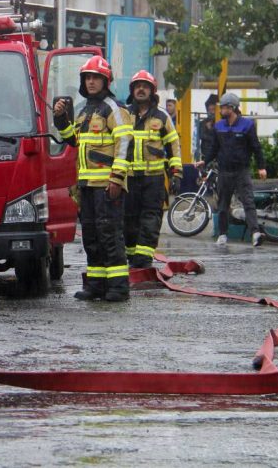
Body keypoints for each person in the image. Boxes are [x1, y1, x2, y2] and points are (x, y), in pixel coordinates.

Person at [53, 56, 133, 302]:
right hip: (87, 187)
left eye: (95, 78)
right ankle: (96, 285)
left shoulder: (113, 109)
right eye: (87, 77)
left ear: (105, 80)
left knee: (109, 235)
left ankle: (118, 287)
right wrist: (61, 120)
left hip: (107, 186)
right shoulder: (85, 111)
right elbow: (74, 141)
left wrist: (117, 179)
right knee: (91, 236)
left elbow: (124, 144)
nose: (90, 82)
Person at [123, 71, 183, 269]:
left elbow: (173, 146)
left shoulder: (161, 117)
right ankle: (132, 256)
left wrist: (176, 173)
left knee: (151, 218)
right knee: (128, 219)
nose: (141, 89)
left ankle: (144, 258)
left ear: (152, 91)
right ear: (132, 90)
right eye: (137, 86)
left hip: (153, 180)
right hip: (128, 179)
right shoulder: (123, 115)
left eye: (145, 86)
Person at [201, 93, 267, 247]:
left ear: (232, 108)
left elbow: (256, 147)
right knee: (223, 204)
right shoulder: (219, 126)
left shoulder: (247, 125)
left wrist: (261, 167)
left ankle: (255, 233)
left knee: (248, 202)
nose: (221, 110)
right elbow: (214, 148)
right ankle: (223, 234)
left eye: (224, 107)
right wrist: (205, 161)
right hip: (224, 172)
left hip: (241, 171)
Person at [194, 94, 219, 165]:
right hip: (206, 157)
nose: (211, 112)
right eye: (209, 110)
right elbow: (201, 136)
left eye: (214, 110)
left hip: (218, 157)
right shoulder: (203, 123)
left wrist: (210, 129)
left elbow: (218, 139)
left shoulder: (222, 123)